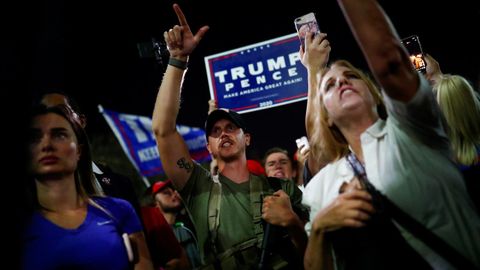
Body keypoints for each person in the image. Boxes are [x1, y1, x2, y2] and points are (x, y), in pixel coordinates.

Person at [302, 0, 480, 268]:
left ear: (375, 93)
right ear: (324, 114)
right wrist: (318, 230)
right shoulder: (320, 188)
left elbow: (389, 62)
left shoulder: (414, 132)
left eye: (351, 75)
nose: (341, 81)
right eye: (329, 86)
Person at [152, 4, 308, 269]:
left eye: (230, 127)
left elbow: (316, 258)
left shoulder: (283, 190)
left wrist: (292, 222)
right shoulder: (197, 189)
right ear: (209, 147)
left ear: (246, 138)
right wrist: (178, 60)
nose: (222, 132)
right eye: (214, 131)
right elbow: (162, 130)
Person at [23, 104, 153, 269]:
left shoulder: (119, 210)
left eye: (59, 135)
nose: (46, 145)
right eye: (34, 137)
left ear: (78, 150)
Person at [39, 91, 143, 220]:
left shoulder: (121, 185)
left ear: (82, 121)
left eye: (61, 112)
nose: (53, 121)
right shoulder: (31, 195)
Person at [150, 180, 201, 269]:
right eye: (167, 193)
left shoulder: (189, 220)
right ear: (156, 204)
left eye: (173, 191)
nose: (174, 194)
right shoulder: (157, 235)